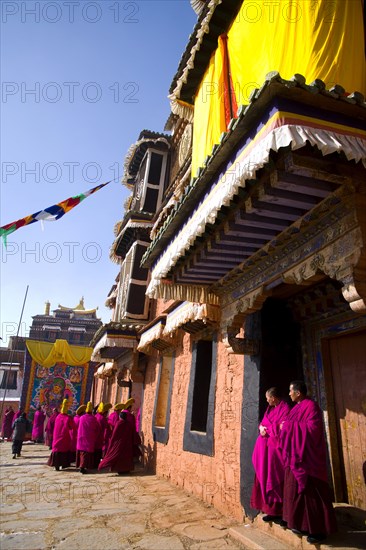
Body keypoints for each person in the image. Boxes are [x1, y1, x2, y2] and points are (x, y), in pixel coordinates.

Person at [280, 381, 337, 544]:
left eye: (291, 391)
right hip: (295, 457)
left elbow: (312, 430)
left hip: (308, 460)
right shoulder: (297, 408)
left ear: (298, 393)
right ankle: (300, 524)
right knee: (295, 492)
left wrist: (289, 426)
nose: (289, 394)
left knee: (313, 496)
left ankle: (319, 530)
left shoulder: (311, 407)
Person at [251, 387, 290, 522]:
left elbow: (283, 427)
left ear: (273, 398)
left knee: (274, 477)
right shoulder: (270, 409)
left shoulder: (284, 409)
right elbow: (264, 422)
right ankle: (270, 511)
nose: (266, 400)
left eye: (268, 398)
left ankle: (279, 511)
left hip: (275, 451)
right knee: (264, 475)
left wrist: (268, 430)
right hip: (264, 451)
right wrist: (261, 427)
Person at [98, 411, 135, 475]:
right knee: (126, 456)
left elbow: (114, 434)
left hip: (119, 444)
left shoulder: (118, 423)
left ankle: (120, 469)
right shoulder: (129, 424)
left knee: (118, 456)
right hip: (127, 444)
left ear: (120, 417)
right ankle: (126, 469)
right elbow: (132, 434)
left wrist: (112, 442)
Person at [47, 398, 75, 471]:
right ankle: (63, 464)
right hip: (65, 437)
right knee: (63, 451)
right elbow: (73, 427)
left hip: (56, 437)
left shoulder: (58, 417)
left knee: (57, 450)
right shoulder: (68, 418)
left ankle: (56, 465)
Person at [76, 401, 100, 474]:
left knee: (82, 453)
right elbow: (97, 428)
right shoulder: (93, 419)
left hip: (81, 438)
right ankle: (82, 467)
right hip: (89, 439)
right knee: (85, 454)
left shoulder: (81, 418)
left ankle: (81, 466)